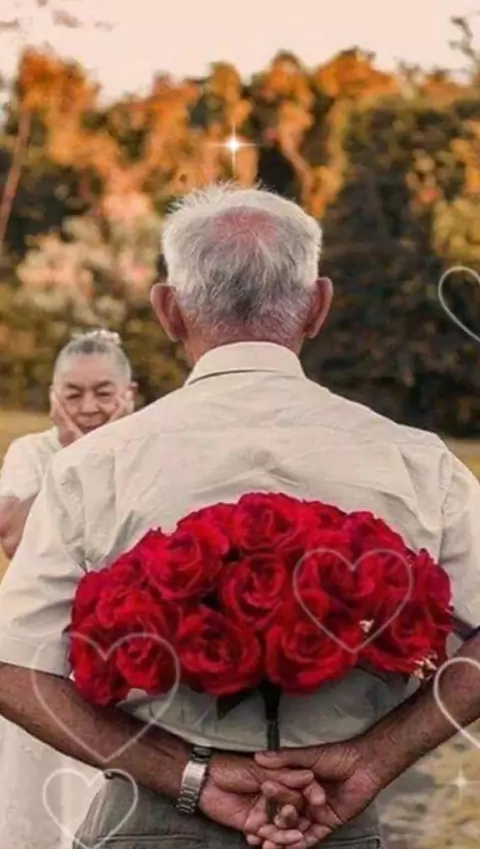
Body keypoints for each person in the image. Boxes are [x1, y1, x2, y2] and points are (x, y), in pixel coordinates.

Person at [0, 183, 478, 849]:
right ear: (318, 305)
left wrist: (189, 776)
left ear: (168, 310)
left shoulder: (95, 465)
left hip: (149, 823)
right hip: (334, 820)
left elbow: (15, 669)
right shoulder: (417, 461)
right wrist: (373, 759)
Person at [0, 329, 137, 849]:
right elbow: (13, 537)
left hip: (114, 641)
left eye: (103, 393)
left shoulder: (142, 450)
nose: (89, 406)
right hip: (39, 640)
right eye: (74, 393)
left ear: (129, 394)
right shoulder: (31, 451)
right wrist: (78, 454)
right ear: (54, 396)